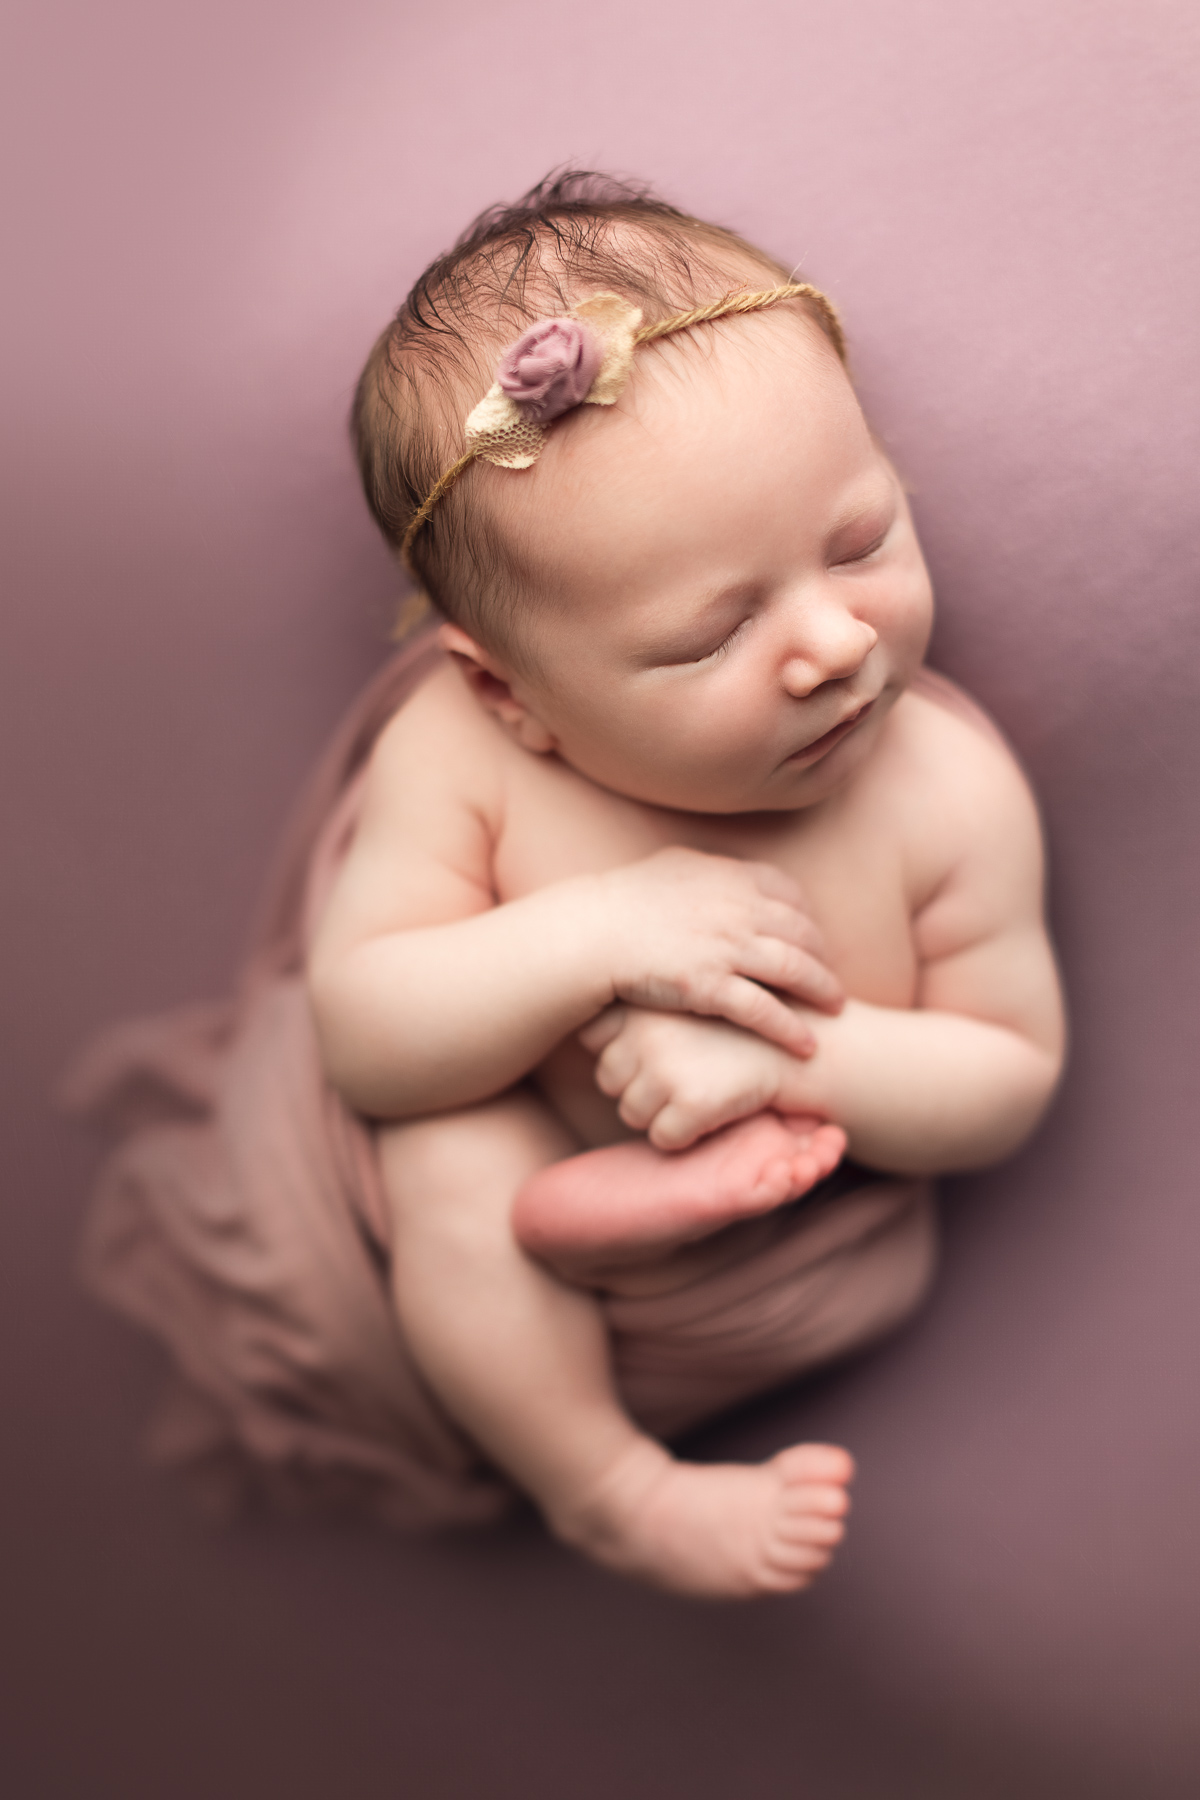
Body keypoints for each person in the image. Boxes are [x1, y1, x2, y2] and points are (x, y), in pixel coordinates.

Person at [305, 172, 1066, 1599]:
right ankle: (604, 1484)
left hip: (796, 1235)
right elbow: (365, 1033)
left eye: (862, 542)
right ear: (513, 693)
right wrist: (598, 933)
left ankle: (646, 1208)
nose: (836, 645)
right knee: (452, 1158)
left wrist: (788, 1060)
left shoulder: (944, 790)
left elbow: (1006, 1078)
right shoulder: (465, 757)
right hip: (526, 1210)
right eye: (712, 636)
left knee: (553, 1170)